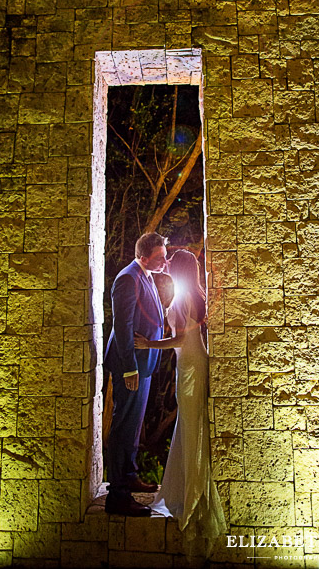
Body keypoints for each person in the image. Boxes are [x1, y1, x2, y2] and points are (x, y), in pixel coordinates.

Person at [134, 249, 227, 554]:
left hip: (190, 366)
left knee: (191, 425)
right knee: (189, 424)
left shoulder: (185, 296)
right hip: (191, 364)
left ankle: (194, 495)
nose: (168, 265)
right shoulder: (192, 294)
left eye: (172, 263)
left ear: (181, 268)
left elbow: (179, 340)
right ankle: (188, 487)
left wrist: (149, 343)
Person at [104, 232, 167, 517]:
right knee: (123, 427)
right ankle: (117, 496)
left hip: (145, 363)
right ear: (143, 258)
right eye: (160, 258)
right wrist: (129, 366)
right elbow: (123, 326)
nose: (165, 262)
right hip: (131, 365)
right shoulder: (128, 278)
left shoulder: (146, 274)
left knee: (134, 425)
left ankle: (129, 475)